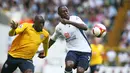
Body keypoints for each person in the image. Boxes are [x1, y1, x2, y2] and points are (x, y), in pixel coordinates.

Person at [49, 5, 92, 73]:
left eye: (66, 11)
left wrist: (69, 22)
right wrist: (45, 49)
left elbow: (85, 27)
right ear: (59, 14)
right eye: (63, 12)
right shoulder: (59, 27)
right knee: (69, 64)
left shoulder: (75, 18)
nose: (66, 13)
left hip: (85, 50)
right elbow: (53, 39)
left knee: (80, 71)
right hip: (72, 50)